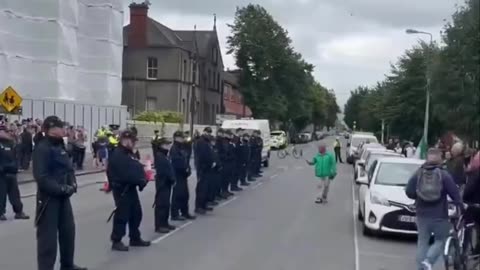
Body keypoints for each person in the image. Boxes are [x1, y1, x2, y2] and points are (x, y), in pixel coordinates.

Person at [32, 116, 86, 270]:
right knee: (47, 239)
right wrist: (61, 189)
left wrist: (72, 183)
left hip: (63, 198)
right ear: (51, 129)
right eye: (60, 126)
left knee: (68, 232)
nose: (64, 129)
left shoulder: (60, 146)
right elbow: (41, 177)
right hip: (49, 199)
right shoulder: (42, 148)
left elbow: (68, 169)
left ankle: (67, 265)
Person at [405, 148, 464, 270]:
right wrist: (460, 205)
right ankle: (429, 260)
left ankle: (421, 267)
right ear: (440, 159)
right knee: (440, 240)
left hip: (421, 214)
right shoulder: (444, 175)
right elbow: (455, 193)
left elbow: (409, 191)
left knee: (422, 242)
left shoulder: (418, 173)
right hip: (439, 214)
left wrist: (418, 196)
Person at [107, 129, 150, 252]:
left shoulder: (129, 153)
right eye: (132, 141)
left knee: (136, 213)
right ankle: (116, 240)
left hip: (131, 188)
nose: (134, 143)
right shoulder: (118, 154)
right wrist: (139, 180)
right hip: (122, 189)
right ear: (125, 140)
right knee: (122, 215)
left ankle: (135, 237)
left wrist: (142, 178)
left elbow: (135, 167)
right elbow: (125, 174)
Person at [0, 125, 29, 221]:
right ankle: (1, 213)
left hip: (11, 172)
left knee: (15, 194)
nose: (7, 133)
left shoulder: (11, 143)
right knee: (1, 194)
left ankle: (19, 212)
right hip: (1, 174)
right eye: (4, 131)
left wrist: (15, 167)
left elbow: (16, 156)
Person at [171, 131, 196, 219]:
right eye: (181, 137)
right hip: (178, 174)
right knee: (178, 194)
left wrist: (187, 169)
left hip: (183, 175)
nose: (183, 139)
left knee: (185, 194)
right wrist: (185, 169)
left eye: (183, 137)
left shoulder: (182, 147)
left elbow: (186, 159)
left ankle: (184, 212)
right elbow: (177, 162)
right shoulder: (174, 148)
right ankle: (175, 213)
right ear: (176, 138)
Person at [153, 136, 177, 233]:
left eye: (168, 144)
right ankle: (159, 225)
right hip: (163, 183)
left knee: (166, 204)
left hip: (167, 183)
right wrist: (171, 178)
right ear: (161, 145)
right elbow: (164, 171)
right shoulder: (159, 155)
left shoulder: (165, 155)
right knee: (161, 204)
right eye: (166, 144)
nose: (168, 146)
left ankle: (165, 223)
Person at [194, 127, 216, 215]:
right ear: (204, 132)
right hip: (203, 168)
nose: (209, 134)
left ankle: (203, 204)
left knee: (206, 188)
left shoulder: (207, 142)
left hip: (207, 168)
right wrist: (208, 163)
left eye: (210, 132)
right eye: (207, 132)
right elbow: (202, 156)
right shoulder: (200, 142)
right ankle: (198, 206)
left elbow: (210, 153)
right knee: (201, 188)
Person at [463, 151, 480, 254]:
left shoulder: (476, 173)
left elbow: (469, 190)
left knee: (467, 227)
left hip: (473, 205)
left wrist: (463, 199)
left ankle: (464, 250)